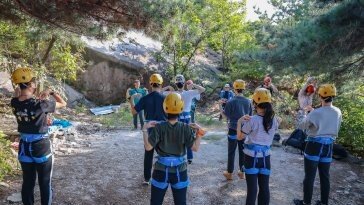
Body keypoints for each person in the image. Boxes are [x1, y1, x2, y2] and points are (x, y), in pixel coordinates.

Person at [10, 67, 67, 205]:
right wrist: (51, 92)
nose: (35, 84)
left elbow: (21, 97)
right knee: (44, 182)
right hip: (40, 147)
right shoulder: (41, 105)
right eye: (33, 82)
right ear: (30, 85)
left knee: (28, 183)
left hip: (24, 147)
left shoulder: (14, 102)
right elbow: (64, 103)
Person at [142, 93, 205, 205]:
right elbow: (195, 148)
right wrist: (199, 133)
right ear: (181, 109)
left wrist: (145, 130)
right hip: (180, 171)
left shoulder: (159, 127)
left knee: (155, 202)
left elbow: (148, 147)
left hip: (161, 170)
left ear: (165, 109)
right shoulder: (185, 128)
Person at [293, 84, 342, 205]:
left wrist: (306, 114)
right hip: (328, 146)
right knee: (325, 176)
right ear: (333, 96)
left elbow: (302, 126)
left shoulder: (315, 113)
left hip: (314, 146)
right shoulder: (337, 111)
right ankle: (324, 203)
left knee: (309, 176)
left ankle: (306, 202)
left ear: (320, 96)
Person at [237, 88, 280, 205]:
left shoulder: (252, 120)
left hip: (251, 158)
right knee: (265, 189)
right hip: (266, 158)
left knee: (252, 190)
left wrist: (239, 122)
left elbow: (240, 137)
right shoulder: (274, 120)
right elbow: (275, 123)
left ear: (255, 104)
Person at [132, 74, 167, 185]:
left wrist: (131, 99)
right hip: (163, 128)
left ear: (150, 84)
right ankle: (166, 175)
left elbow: (134, 112)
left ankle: (147, 179)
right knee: (165, 153)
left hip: (149, 128)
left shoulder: (145, 98)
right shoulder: (165, 98)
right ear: (161, 84)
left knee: (148, 153)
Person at [163, 74, 205, 164]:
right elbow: (202, 89)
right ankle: (189, 158)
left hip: (177, 117)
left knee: (176, 136)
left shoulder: (173, 94)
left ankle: (177, 154)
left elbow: (159, 92)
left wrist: (168, 87)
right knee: (189, 137)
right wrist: (192, 85)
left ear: (176, 83)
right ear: (183, 83)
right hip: (187, 118)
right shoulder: (189, 93)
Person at [220, 79, 252, 180]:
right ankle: (242, 172)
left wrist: (220, 106)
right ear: (243, 89)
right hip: (244, 130)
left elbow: (226, 116)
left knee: (231, 151)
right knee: (242, 151)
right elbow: (249, 116)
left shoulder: (231, 101)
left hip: (233, 129)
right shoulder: (248, 101)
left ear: (234, 89)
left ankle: (229, 173)